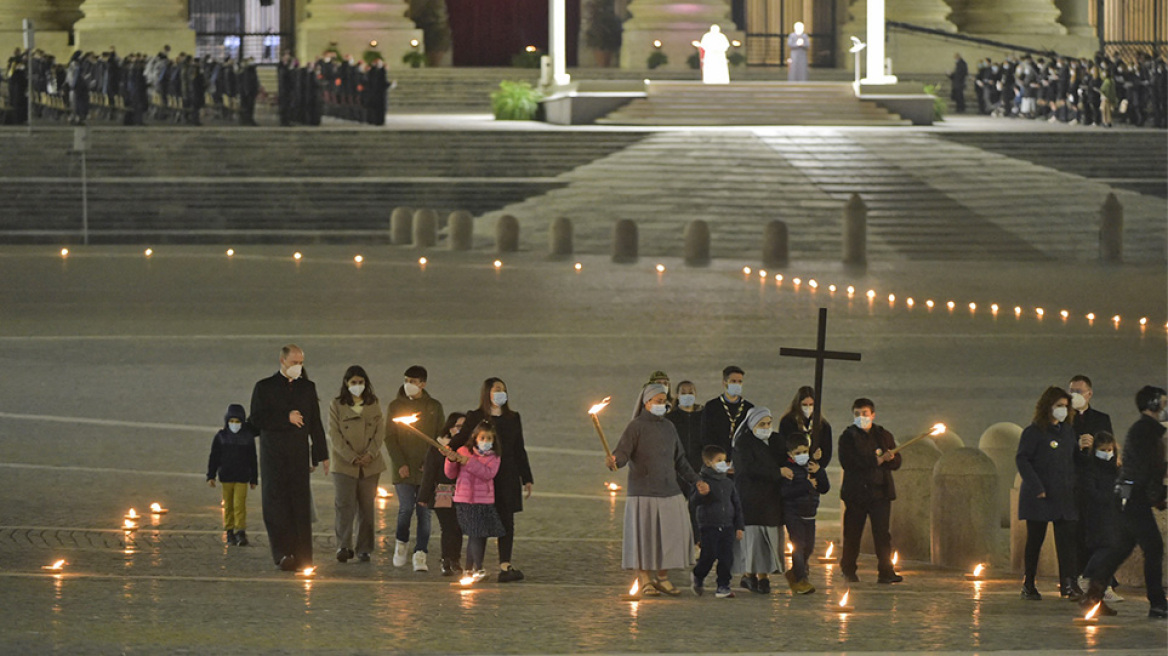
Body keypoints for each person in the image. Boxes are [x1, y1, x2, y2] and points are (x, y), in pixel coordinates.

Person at [607, 383, 706, 596]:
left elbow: (680, 459)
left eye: (665, 401)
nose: (663, 405)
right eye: (659, 401)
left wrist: (696, 480)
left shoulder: (669, 427)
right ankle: (645, 578)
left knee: (668, 537)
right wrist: (615, 461)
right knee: (645, 538)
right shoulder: (635, 427)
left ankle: (662, 577)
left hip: (669, 491)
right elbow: (622, 453)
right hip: (643, 493)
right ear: (647, 402)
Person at [1081, 386, 1168, 619]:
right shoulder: (1145, 430)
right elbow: (1146, 467)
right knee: (1153, 547)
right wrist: (1157, 494)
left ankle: (1094, 593)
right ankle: (1158, 603)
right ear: (1152, 404)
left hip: (1130, 496)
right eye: (1163, 402)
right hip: (1134, 497)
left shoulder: (1148, 430)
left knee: (1122, 548)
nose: (1165, 407)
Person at [249, 344, 329, 572]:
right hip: (273, 457)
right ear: (282, 361)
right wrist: (286, 418)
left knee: (300, 506)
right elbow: (256, 420)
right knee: (276, 506)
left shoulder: (307, 387)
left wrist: (321, 454)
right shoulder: (264, 387)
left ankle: (304, 557)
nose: (298, 367)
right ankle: (283, 553)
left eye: (301, 363)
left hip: (298, 456)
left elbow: (315, 423)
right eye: (294, 363)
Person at [453, 377, 533, 582]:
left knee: (507, 520)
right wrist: (446, 449)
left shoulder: (513, 417)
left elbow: (519, 449)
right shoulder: (475, 416)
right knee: (482, 520)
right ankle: (474, 565)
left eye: (504, 390)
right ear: (487, 392)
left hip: (507, 476)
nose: (501, 393)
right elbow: (461, 439)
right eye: (497, 389)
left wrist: (527, 477)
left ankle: (505, 564)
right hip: (481, 477)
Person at [1016, 386, 1083, 601]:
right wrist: (1037, 487)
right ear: (1048, 407)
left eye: (1065, 406)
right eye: (1059, 406)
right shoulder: (1034, 432)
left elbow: (1072, 459)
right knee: (1035, 541)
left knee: (1067, 542)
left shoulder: (1068, 431)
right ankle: (1029, 583)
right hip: (1041, 497)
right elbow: (1022, 459)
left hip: (1064, 496)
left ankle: (1068, 584)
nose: (1063, 410)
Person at [385, 364, 445, 572]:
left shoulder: (434, 407)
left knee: (424, 511)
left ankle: (421, 552)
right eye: (406, 380)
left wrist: (429, 463)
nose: (409, 385)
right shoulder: (395, 406)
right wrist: (400, 463)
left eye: (413, 381)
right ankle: (401, 544)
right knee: (405, 508)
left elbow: (440, 437)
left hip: (426, 470)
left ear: (423, 384)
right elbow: (390, 437)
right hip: (403, 470)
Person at [837, 397, 903, 584]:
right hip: (856, 494)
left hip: (880, 494)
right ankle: (848, 570)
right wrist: (875, 461)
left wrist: (891, 459)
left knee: (882, 534)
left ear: (873, 415)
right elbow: (848, 462)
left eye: (864, 413)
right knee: (852, 534)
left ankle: (886, 571)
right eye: (857, 414)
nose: (861, 417)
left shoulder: (883, 435)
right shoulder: (848, 437)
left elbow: (897, 462)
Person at [327, 365, 385, 563]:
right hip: (344, 466)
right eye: (354, 383)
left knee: (367, 507)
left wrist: (370, 453)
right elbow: (334, 435)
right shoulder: (337, 405)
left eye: (361, 383)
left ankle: (365, 548)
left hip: (370, 465)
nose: (357, 386)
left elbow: (380, 432)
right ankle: (343, 545)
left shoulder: (373, 404)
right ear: (346, 383)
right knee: (344, 506)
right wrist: (351, 456)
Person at [731, 406, 789, 594]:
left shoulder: (776, 441)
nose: (766, 427)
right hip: (751, 499)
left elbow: (786, 460)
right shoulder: (743, 444)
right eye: (761, 424)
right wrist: (776, 472)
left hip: (772, 499)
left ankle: (764, 576)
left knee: (768, 539)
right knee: (753, 540)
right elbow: (747, 470)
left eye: (768, 423)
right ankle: (749, 575)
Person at [444, 420, 506, 585]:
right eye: (482, 438)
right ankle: (477, 569)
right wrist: (451, 460)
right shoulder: (463, 451)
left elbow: (488, 474)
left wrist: (469, 462)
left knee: (478, 534)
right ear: (475, 437)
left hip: (483, 501)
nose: (485, 441)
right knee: (475, 533)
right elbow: (451, 474)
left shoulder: (494, 457)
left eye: (489, 439)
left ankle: (470, 568)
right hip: (464, 500)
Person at [1068, 374, 1112, 583]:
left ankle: (1098, 578)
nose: (1074, 395)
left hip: (1095, 482)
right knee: (1075, 531)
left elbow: (1109, 451)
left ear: (1089, 394)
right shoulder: (1065, 419)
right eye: (1072, 392)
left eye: (1078, 391)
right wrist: (1076, 446)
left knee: (1096, 530)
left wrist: (1094, 445)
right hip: (1074, 483)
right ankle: (1076, 577)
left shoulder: (1101, 419)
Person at [690, 445, 744, 599]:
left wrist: (739, 526)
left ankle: (723, 585)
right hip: (709, 526)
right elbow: (693, 503)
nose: (723, 463)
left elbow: (736, 504)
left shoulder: (728, 483)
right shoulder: (701, 482)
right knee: (709, 555)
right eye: (719, 460)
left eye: (724, 460)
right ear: (708, 463)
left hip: (727, 526)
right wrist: (702, 494)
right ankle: (698, 575)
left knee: (727, 558)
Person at [780, 433, 830, 594]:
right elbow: (785, 492)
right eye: (798, 453)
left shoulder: (811, 467)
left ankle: (795, 572)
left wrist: (819, 471)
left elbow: (824, 488)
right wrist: (807, 485)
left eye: (805, 451)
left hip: (810, 514)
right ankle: (801, 579)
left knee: (809, 547)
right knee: (798, 546)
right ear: (790, 454)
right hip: (793, 513)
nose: (802, 455)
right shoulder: (789, 470)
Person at [1076, 431, 1122, 602]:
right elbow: (1091, 492)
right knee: (1105, 547)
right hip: (1097, 515)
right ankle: (1088, 577)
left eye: (1110, 449)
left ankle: (1103, 585)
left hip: (1114, 515)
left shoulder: (1116, 468)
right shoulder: (1090, 468)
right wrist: (1111, 497)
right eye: (1103, 449)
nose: (1107, 452)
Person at [419, 412, 467, 576]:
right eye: (459, 427)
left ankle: (456, 559)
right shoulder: (438, 446)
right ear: (450, 428)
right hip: (443, 492)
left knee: (459, 526)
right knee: (448, 527)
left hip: (463, 493)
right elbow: (429, 472)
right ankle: (446, 559)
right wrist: (423, 496)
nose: (462, 431)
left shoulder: (469, 448)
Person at [206, 403, 258, 547]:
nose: (234, 424)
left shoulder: (247, 438)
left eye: (237, 421)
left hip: (242, 477)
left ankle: (240, 530)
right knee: (228, 505)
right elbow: (214, 457)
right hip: (226, 476)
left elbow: (253, 459)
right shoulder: (221, 437)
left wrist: (254, 477)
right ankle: (229, 530)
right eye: (232, 421)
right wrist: (211, 475)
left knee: (239, 505)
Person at [700, 365, 752, 459]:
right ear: (724, 383)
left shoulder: (749, 408)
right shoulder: (711, 407)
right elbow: (706, 436)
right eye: (733, 381)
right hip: (717, 459)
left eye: (740, 382)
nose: (737, 384)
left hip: (742, 460)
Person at [777, 385, 834, 467]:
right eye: (804, 405)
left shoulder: (823, 426)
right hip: (792, 468)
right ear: (798, 405)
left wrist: (818, 466)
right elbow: (782, 448)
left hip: (814, 471)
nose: (808, 408)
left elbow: (827, 452)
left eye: (811, 404)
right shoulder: (787, 422)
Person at [667, 380, 703, 483]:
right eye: (683, 393)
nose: (687, 395)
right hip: (676, 470)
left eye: (690, 392)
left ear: (695, 394)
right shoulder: (670, 418)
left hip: (700, 470)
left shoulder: (704, 416)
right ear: (677, 395)